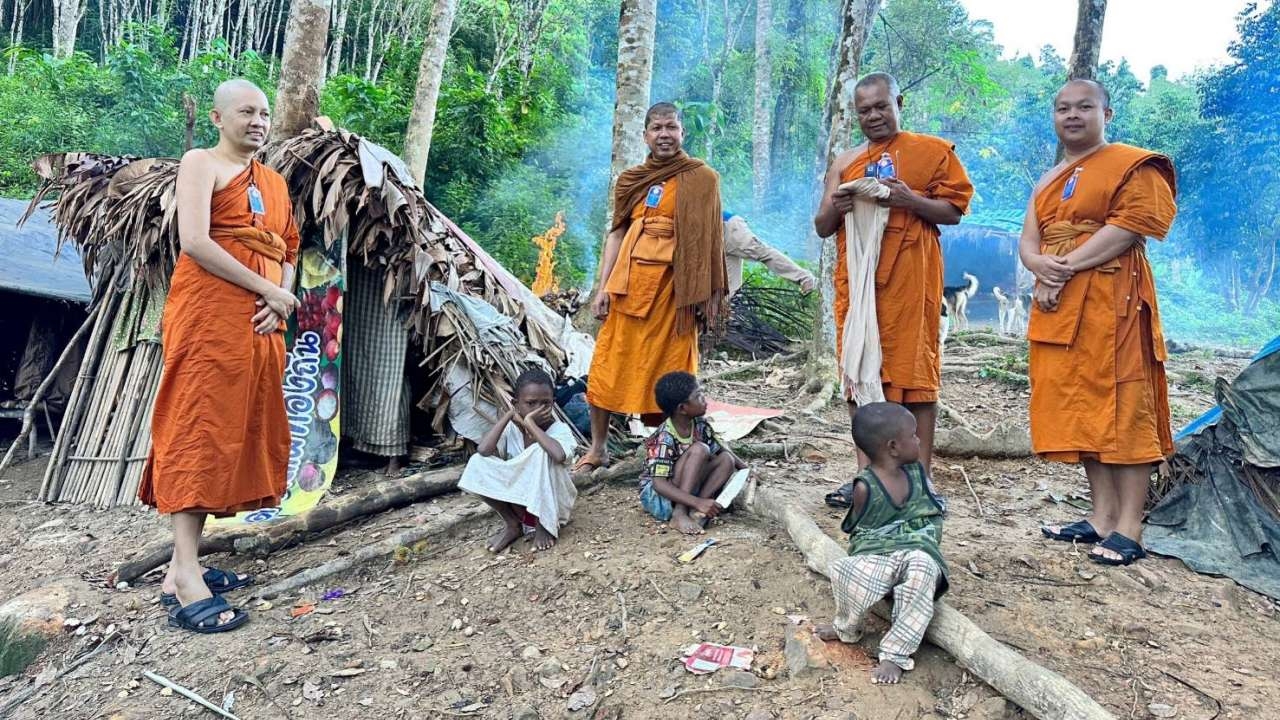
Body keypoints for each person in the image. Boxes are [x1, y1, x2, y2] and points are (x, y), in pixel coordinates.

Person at [140, 79, 301, 633]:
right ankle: (184, 575)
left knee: (234, 432)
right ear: (217, 117)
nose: (258, 121)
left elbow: (288, 248)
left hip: (258, 327)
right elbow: (197, 242)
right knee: (199, 429)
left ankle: (183, 568)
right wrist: (272, 292)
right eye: (246, 112)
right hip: (209, 318)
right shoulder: (200, 163)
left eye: (264, 113)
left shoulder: (275, 183)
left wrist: (277, 303)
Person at [1026, 80, 1178, 566]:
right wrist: (1039, 265)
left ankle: (1130, 527)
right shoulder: (1049, 179)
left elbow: (1131, 227)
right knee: (1080, 404)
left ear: (1106, 114)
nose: (1072, 115)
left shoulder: (1132, 164)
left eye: (1084, 107)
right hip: (1059, 305)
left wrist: (1064, 265)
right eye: (1062, 108)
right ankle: (1100, 516)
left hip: (1115, 300)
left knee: (1125, 403)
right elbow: (1030, 239)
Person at [813, 73, 973, 508]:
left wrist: (910, 201)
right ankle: (867, 477)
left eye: (881, 106)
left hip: (910, 283)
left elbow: (954, 211)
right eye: (864, 110)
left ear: (898, 102)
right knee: (860, 378)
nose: (873, 116)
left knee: (916, 382)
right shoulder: (845, 160)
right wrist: (838, 205)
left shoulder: (931, 152)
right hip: (860, 287)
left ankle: (920, 482)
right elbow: (823, 226)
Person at [577, 102, 727, 471]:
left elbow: (710, 240)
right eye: (657, 128)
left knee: (674, 374)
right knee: (607, 368)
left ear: (682, 133)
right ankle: (598, 449)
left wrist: (703, 297)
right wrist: (603, 287)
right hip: (630, 289)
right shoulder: (632, 180)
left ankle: (669, 452)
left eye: (671, 127)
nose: (665, 134)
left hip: (676, 297)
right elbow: (617, 234)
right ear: (645, 135)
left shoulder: (702, 178)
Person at [814, 402, 948, 685]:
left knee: (923, 569)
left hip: (917, 551)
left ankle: (895, 654)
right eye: (913, 435)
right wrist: (887, 553)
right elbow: (862, 533)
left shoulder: (918, 476)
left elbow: (931, 517)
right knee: (846, 570)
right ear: (893, 447)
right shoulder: (865, 486)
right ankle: (847, 628)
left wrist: (913, 538)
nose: (919, 440)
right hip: (879, 554)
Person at [458, 368, 578, 553]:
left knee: (540, 450)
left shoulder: (559, 430)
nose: (539, 409)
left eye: (545, 403)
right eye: (530, 403)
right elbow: (483, 450)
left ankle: (543, 526)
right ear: (517, 403)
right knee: (476, 462)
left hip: (552, 507)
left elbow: (558, 455)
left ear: (553, 404)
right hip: (521, 507)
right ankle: (513, 524)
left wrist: (529, 422)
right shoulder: (511, 430)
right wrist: (508, 415)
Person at [639, 371, 745, 535]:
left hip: (683, 489)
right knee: (700, 449)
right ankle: (680, 512)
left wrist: (746, 470)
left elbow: (720, 448)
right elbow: (659, 484)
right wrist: (696, 501)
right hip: (659, 497)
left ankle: (696, 511)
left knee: (726, 459)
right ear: (682, 408)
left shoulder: (699, 424)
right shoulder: (664, 438)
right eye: (698, 396)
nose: (705, 399)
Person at [722, 211, 816, 297]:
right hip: (717, 240)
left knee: (762, 253)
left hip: (727, 227)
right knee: (730, 294)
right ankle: (729, 313)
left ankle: (804, 278)